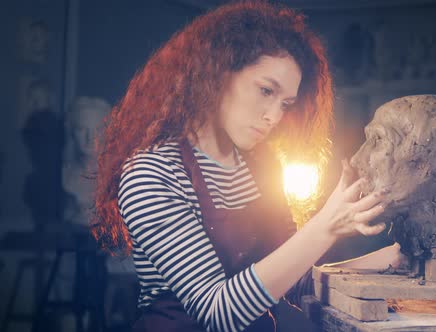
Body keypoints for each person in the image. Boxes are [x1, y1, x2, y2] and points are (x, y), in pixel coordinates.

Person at [92, 2, 402, 331]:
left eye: (285, 104)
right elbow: (218, 312)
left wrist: (389, 261)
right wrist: (326, 225)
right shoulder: (150, 173)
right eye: (265, 90)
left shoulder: (261, 168)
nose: (274, 116)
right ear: (216, 73)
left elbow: (292, 284)